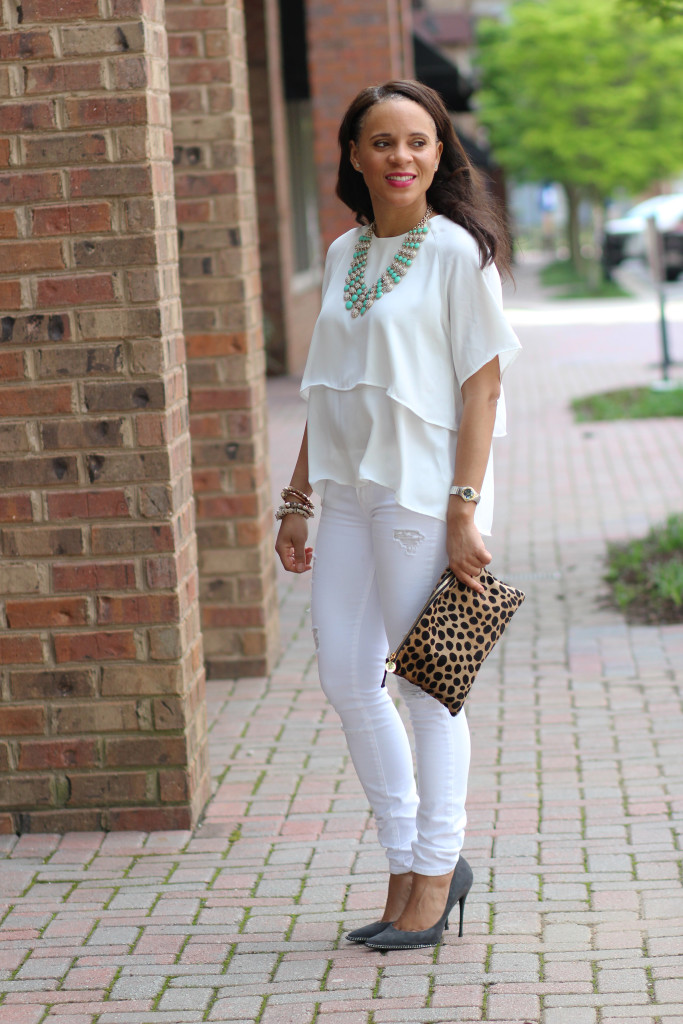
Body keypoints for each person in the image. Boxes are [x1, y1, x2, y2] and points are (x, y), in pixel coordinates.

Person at [275, 80, 521, 951]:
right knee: (347, 678)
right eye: (382, 141)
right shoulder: (343, 254)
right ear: (352, 154)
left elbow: (481, 382)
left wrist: (465, 507)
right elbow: (327, 392)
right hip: (344, 492)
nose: (401, 157)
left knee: (423, 688)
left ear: (439, 152)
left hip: (422, 489)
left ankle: (434, 866)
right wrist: (296, 500)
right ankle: (403, 859)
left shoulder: (455, 251)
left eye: (418, 141)